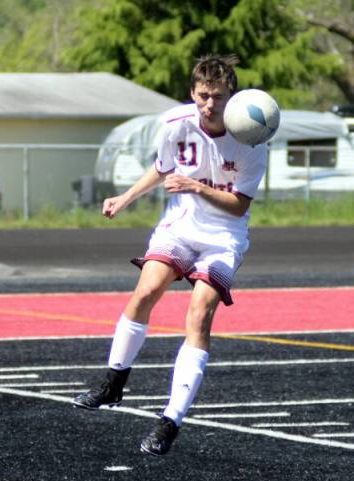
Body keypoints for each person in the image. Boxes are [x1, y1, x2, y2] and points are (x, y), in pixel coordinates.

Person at [72, 54, 268, 456]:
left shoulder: (253, 138)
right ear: (192, 93)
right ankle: (113, 383)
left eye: (217, 96)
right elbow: (162, 169)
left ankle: (170, 419)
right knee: (146, 291)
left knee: (198, 315)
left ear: (232, 95)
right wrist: (125, 197)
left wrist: (196, 187)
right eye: (202, 95)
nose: (209, 104)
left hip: (223, 237)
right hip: (179, 227)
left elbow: (238, 207)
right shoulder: (174, 124)